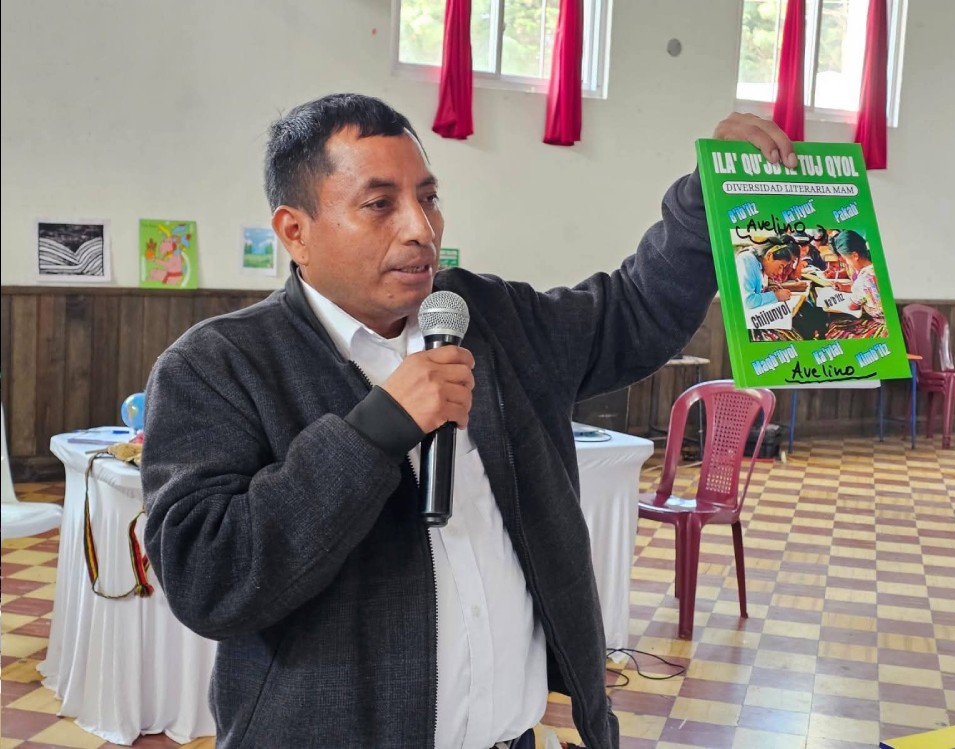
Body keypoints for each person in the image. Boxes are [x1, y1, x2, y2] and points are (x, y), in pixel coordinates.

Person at [140, 93, 796, 749]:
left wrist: (706, 202)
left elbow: (629, 312)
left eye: (428, 198)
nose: (421, 229)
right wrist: (377, 431)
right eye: (380, 204)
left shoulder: (486, 317)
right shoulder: (218, 365)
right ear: (294, 230)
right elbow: (210, 578)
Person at [826, 229, 887, 338]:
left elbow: (852, 306)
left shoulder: (864, 278)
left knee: (835, 330)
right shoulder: (878, 266)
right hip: (888, 320)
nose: (846, 263)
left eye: (845, 259)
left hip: (883, 327)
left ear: (855, 255)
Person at [734, 235, 796, 309]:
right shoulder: (746, 260)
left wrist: (767, 290)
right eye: (780, 266)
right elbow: (748, 301)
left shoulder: (762, 265)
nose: (780, 272)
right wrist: (776, 296)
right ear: (769, 256)